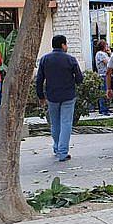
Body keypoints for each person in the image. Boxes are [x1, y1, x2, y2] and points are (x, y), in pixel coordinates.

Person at [35, 34, 83, 162]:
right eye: (66, 44)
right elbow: (79, 79)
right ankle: (63, 152)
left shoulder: (45, 59)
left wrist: (41, 96)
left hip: (52, 96)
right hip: (68, 96)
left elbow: (39, 79)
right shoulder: (71, 60)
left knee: (55, 123)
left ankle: (56, 148)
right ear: (63, 45)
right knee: (66, 123)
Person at [94, 39, 112, 115]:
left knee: (107, 92)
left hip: (107, 75)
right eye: (106, 45)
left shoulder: (104, 54)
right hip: (103, 75)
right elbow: (108, 63)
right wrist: (110, 54)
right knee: (103, 92)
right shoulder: (100, 54)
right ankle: (103, 109)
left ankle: (106, 108)